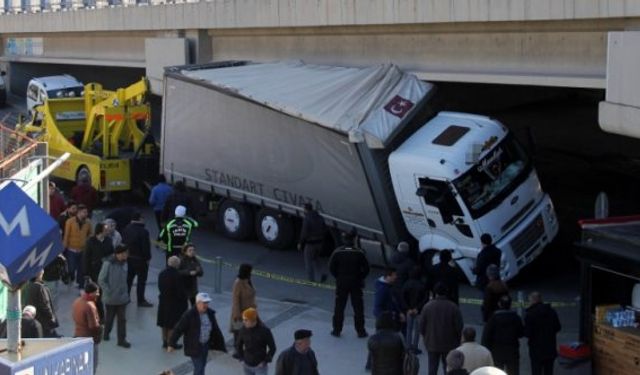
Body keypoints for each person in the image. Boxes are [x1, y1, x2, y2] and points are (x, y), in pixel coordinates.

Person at [168, 292, 227, 375]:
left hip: (205, 345)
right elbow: (178, 329)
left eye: (207, 302)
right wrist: (171, 343)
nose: (206, 305)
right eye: (204, 302)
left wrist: (220, 342)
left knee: (202, 365)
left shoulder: (210, 313)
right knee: (199, 367)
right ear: (198, 303)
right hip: (194, 346)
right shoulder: (189, 315)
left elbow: (215, 329)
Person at [328, 231, 370, 338]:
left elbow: (331, 267)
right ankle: (360, 331)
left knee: (339, 306)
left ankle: (337, 330)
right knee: (358, 308)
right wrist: (360, 277)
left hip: (342, 282)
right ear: (353, 240)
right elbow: (366, 268)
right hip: (356, 282)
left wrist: (339, 276)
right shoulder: (359, 252)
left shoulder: (337, 252)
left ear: (344, 240)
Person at [420, 282, 464, 375]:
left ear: (435, 293)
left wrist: (425, 337)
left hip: (432, 342)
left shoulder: (427, 306)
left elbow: (422, 326)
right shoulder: (453, 307)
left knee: (432, 368)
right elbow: (459, 326)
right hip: (449, 343)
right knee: (448, 368)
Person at [98, 244, 131, 348]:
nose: (127, 255)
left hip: (122, 297)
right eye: (126, 253)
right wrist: (109, 291)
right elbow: (101, 280)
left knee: (122, 319)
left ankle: (121, 340)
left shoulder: (125, 263)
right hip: (111, 298)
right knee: (109, 318)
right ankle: (106, 333)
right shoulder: (108, 264)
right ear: (120, 253)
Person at [482, 295, 524, 375]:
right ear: (510, 305)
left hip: (497, 351)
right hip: (512, 350)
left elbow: (486, 336)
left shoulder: (493, 318)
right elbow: (521, 333)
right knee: (513, 372)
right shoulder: (516, 318)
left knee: (496, 372)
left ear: (499, 304)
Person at [524, 292, 561, 375]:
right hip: (550, 347)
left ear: (533, 301)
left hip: (536, 349)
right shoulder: (551, 311)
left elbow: (527, 333)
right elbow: (558, 327)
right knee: (549, 371)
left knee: (536, 371)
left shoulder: (530, 314)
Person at [122, 211, 153, 307]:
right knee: (141, 280)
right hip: (141, 259)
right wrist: (148, 258)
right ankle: (141, 300)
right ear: (140, 219)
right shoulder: (143, 231)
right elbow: (145, 247)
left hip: (130, 257)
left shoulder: (126, 229)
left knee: (129, 279)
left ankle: (126, 297)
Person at [234, 308, 276, 375]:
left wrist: (265, 361)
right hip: (247, 364)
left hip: (260, 365)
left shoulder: (265, 331)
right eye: (243, 320)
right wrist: (241, 358)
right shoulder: (243, 330)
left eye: (246, 320)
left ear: (253, 320)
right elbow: (238, 345)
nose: (244, 322)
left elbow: (272, 348)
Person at [72, 281, 102, 374]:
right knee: (92, 363)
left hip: (77, 335)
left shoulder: (77, 301)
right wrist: (100, 329)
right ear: (91, 293)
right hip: (89, 339)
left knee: (80, 363)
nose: (98, 294)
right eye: (96, 292)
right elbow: (93, 326)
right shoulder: (90, 305)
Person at [157, 256, 188, 349]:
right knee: (172, 323)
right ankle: (171, 342)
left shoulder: (162, 273)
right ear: (177, 264)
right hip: (174, 303)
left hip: (163, 301)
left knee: (163, 322)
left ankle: (164, 341)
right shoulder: (177, 275)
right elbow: (180, 291)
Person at [22, 270, 60, 337]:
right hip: (44, 322)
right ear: (39, 275)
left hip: (33, 318)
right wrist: (51, 318)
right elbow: (45, 305)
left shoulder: (27, 286)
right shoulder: (40, 287)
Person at [63, 204, 92, 288]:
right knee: (71, 268)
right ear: (79, 212)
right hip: (71, 249)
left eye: (87, 212)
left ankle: (80, 284)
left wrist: (88, 242)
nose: (86, 214)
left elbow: (91, 233)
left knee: (81, 268)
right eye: (84, 212)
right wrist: (63, 248)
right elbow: (66, 235)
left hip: (83, 249)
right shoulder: (70, 222)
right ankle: (71, 277)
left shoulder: (88, 222)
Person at [297, 203, 326, 282]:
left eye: (304, 209)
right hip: (320, 242)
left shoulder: (307, 219)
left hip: (310, 243)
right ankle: (322, 273)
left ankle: (311, 279)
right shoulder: (320, 217)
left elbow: (304, 232)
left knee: (308, 261)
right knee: (316, 259)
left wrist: (300, 242)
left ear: (306, 209)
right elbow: (324, 228)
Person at [402, 266, 428, 354]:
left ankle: (408, 346)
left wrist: (408, 308)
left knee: (408, 329)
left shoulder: (406, 284)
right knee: (417, 330)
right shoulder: (422, 285)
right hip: (418, 311)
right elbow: (425, 298)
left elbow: (403, 298)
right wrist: (417, 308)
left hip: (409, 310)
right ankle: (415, 347)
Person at [230, 263, 257, 346]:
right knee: (239, 333)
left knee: (249, 332)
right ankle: (238, 350)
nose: (251, 273)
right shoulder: (238, 283)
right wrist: (237, 315)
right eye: (250, 272)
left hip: (250, 311)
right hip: (241, 313)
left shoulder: (248, 281)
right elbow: (235, 300)